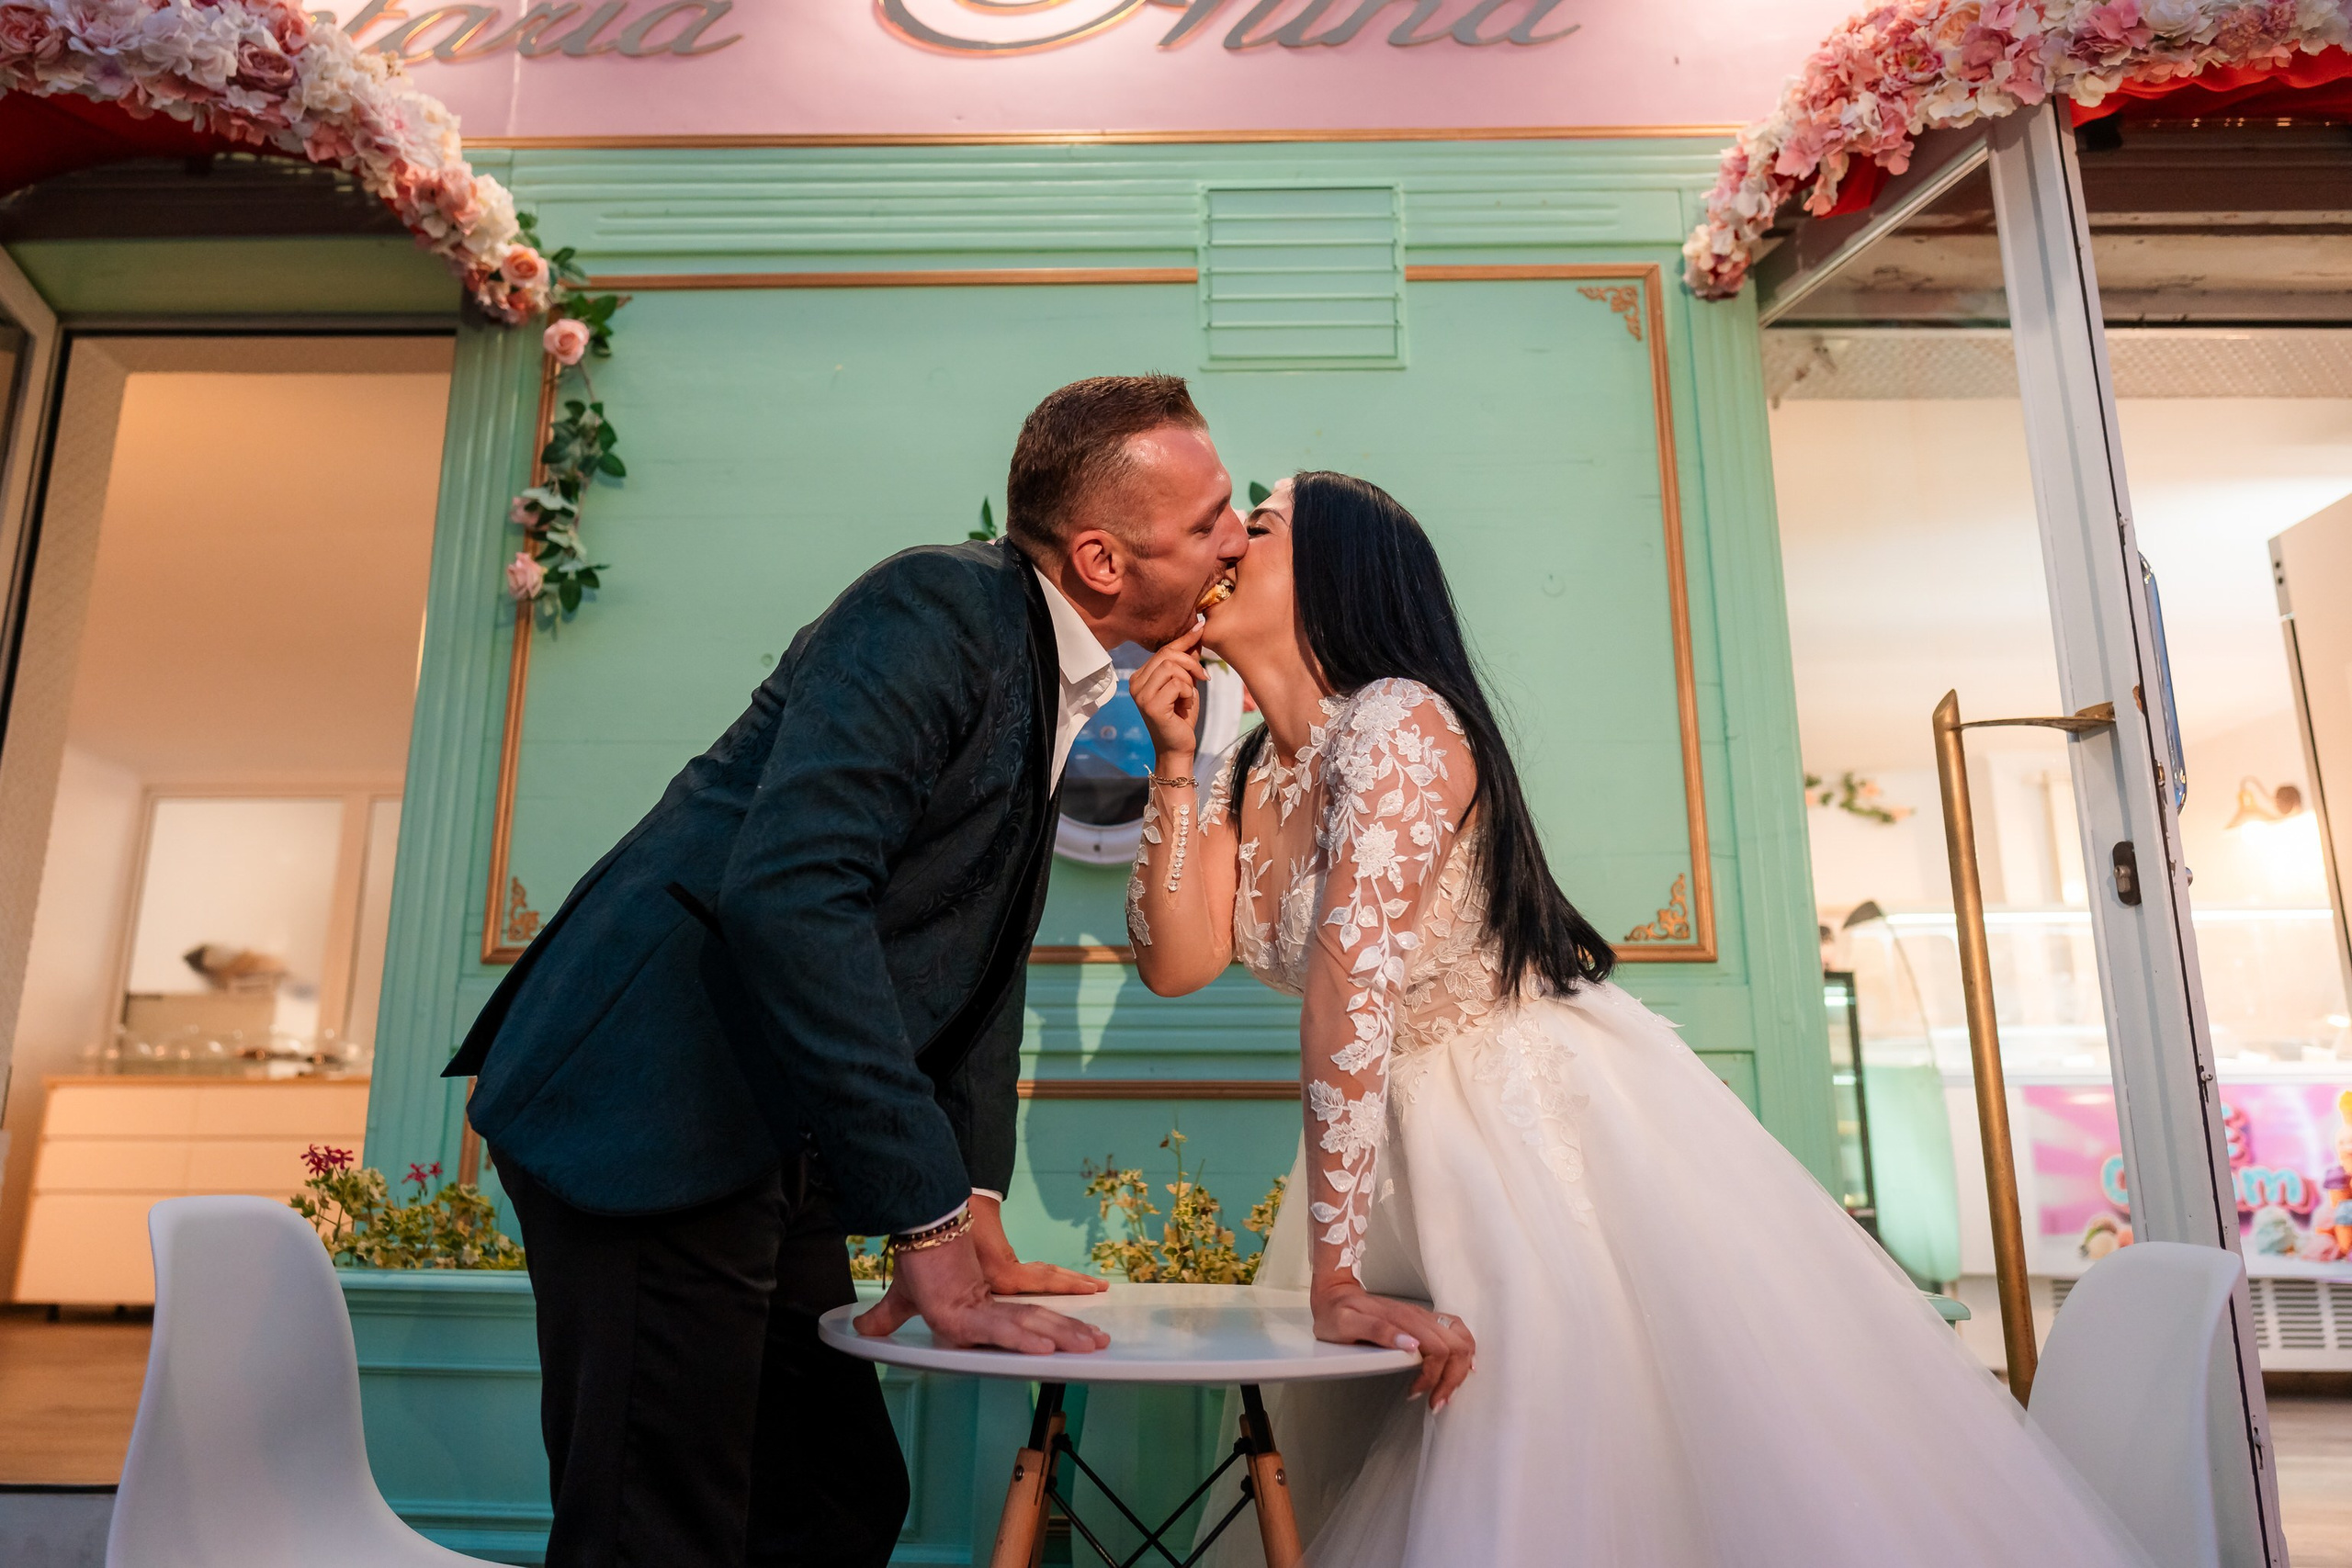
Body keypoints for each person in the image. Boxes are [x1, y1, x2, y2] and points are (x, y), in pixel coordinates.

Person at [1125, 472, 2158, 1567]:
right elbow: (1177, 960)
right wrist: (1179, 767)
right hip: (1388, 1158)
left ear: (1338, 573)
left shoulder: (1398, 723)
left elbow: (1347, 982)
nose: (1228, 541)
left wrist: (1333, 1279)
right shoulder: (1254, 767)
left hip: (1521, 1132)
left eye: (1261, 524)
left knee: (1553, 1436)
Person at [445, 375, 1250, 1568]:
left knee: (831, 1497)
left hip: (760, 1126)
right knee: (658, 1530)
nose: (1238, 533)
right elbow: (790, 891)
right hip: (649, 1104)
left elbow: (969, 948)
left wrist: (968, 1195)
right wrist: (919, 1212)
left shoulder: (1048, 657)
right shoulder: (938, 607)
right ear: (1102, 559)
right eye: (1210, 519)